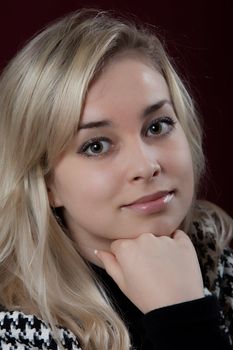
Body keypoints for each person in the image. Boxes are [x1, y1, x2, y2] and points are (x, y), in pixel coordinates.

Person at [0, 8, 232, 350]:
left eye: (157, 126)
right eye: (96, 146)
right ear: (46, 183)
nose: (146, 165)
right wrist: (184, 320)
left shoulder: (218, 264)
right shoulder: (18, 330)